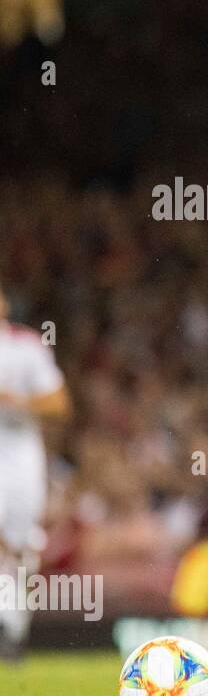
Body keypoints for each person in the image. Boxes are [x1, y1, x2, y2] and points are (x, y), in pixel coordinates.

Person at [0, 279, 70, 660]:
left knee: (22, 542)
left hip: (21, 453)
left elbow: (59, 404)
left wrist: (16, 400)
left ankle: (12, 628)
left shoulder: (27, 346)